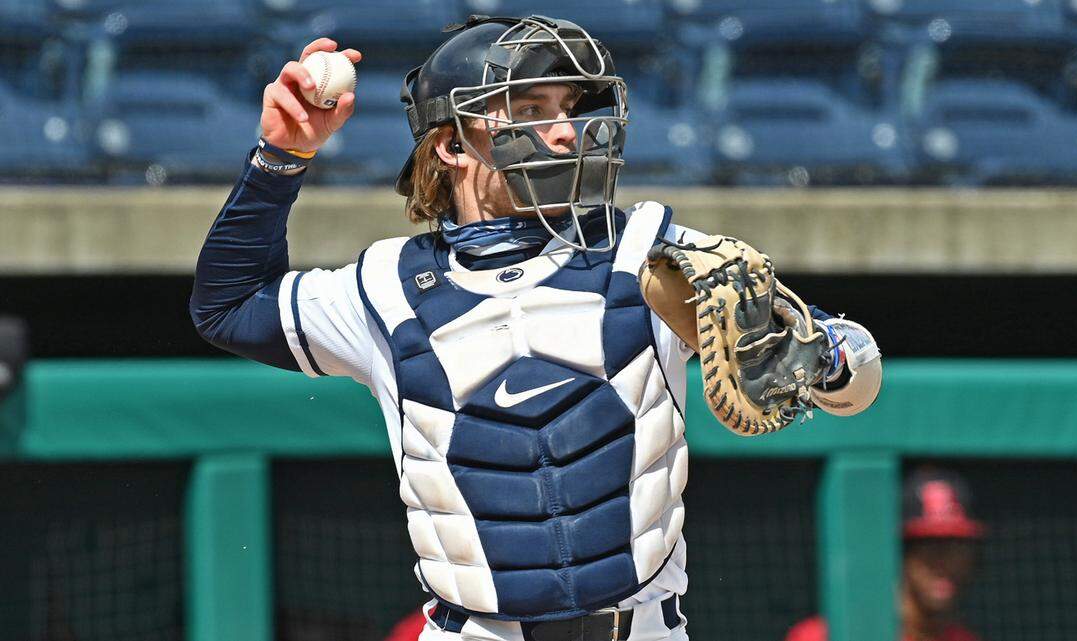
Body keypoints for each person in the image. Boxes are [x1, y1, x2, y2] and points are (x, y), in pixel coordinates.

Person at [190, 15, 882, 641]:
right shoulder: (386, 286)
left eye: (567, 108)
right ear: (451, 144)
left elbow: (858, 369)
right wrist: (280, 158)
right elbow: (229, 306)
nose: (564, 131)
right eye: (529, 110)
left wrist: (816, 357)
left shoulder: (648, 251)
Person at [785, 467, 985, 641]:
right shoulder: (825, 636)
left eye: (956, 548)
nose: (945, 563)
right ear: (901, 552)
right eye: (930, 547)